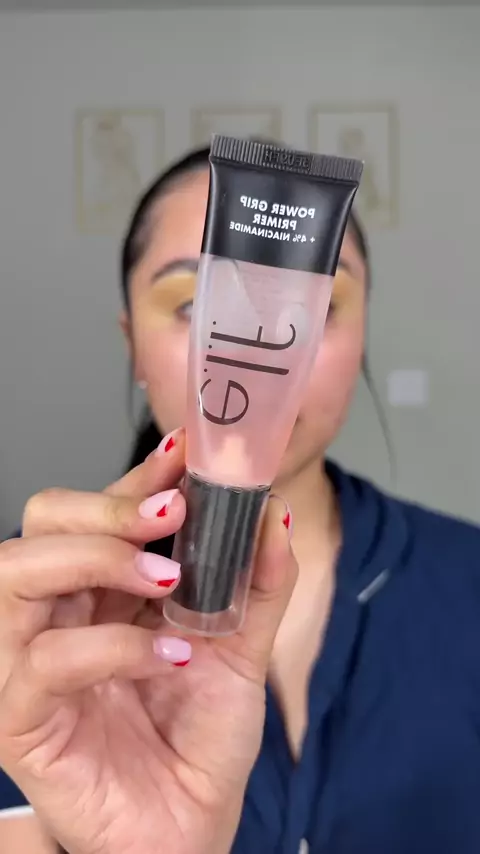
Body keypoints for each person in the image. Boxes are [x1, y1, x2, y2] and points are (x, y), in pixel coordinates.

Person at [1, 143, 480, 854]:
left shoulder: (468, 578)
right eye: (196, 302)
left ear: (360, 331)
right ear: (133, 345)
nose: (254, 346)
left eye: (313, 304)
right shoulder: (38, 617)